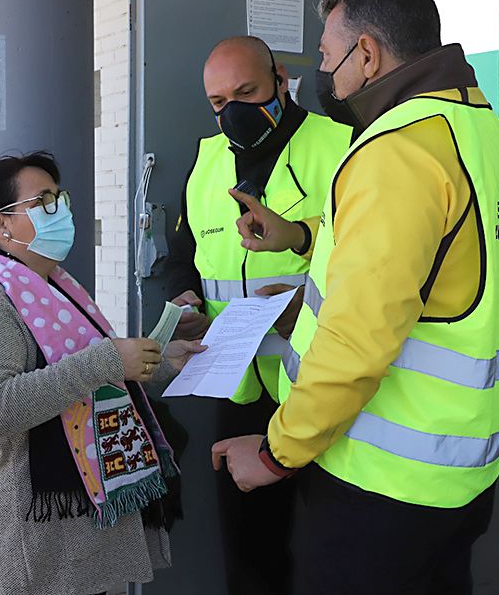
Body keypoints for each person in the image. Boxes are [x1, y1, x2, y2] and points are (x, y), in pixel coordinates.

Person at [211, 0, 499, 595]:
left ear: (367, 53)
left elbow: (357, 341)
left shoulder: (395, 149)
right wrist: (304, 242)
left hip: (379, 486)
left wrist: (279, 452)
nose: (324, 77)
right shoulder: (488, 134)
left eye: (329, 58)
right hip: (458, 473)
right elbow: (442, 273)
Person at [0, 152, 205, 595]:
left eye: (59, 197)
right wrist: (108, 360)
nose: (60, 209)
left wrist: (160, 359)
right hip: (31, 531)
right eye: (42, 201)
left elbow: (93, 373)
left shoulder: (55, 286)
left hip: (80, 525)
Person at [166, 35, 350, 592]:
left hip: (325, 381)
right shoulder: (206, 160)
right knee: (249, 553)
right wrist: (185, 297)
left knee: (332, 546)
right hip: (239, 386)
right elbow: (184, 256)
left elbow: (372, 260)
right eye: (220, 102)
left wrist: (298, 245)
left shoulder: (343, 146)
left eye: (247, 92)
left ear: (280, 78)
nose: (234, 111)